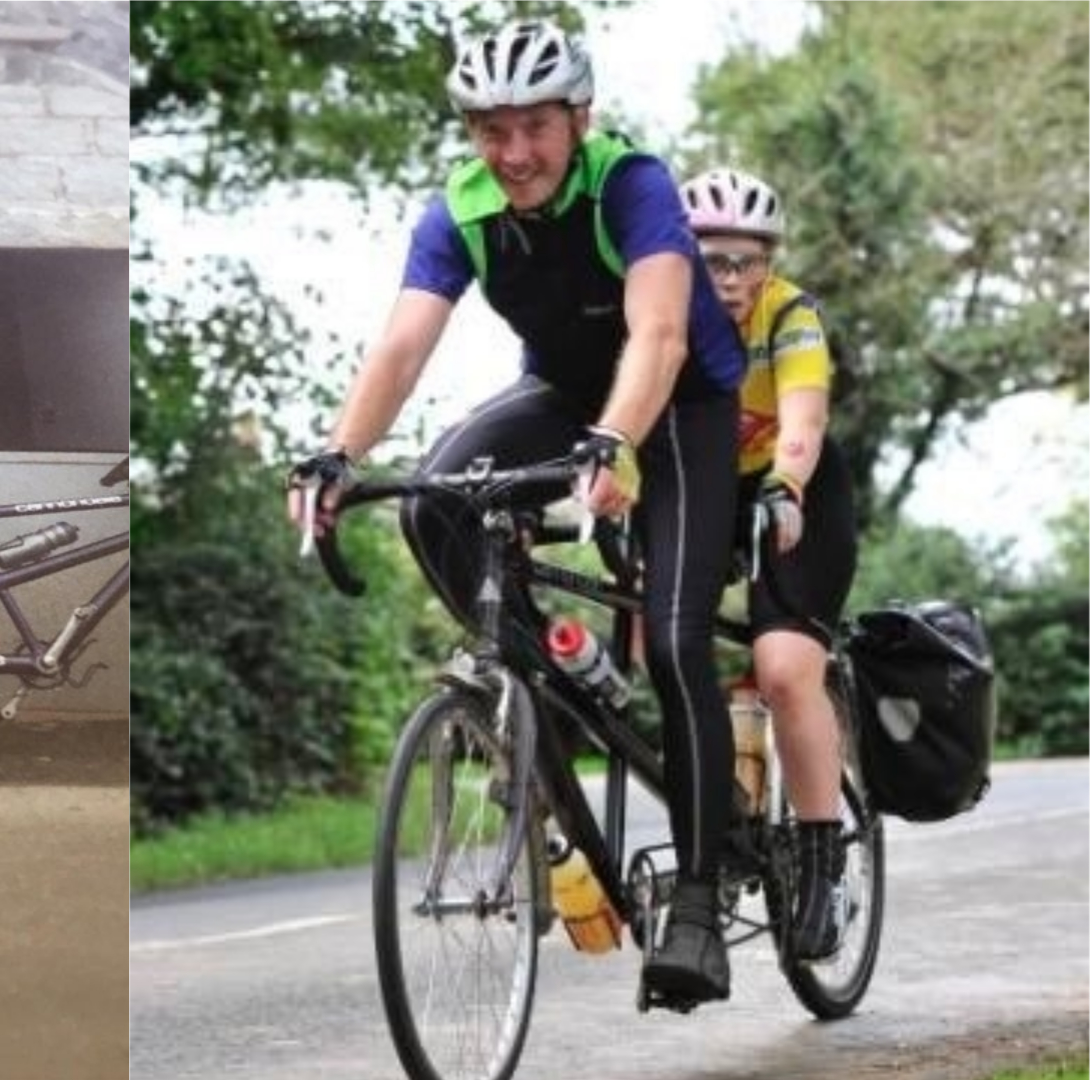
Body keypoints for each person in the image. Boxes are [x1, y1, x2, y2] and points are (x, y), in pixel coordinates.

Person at [286, 20, 748, 1005]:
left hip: (680, 410)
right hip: (566, 397)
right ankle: (543, 682)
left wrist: (617, 440)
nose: (514, 153)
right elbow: (401, 351)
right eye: (491, 130)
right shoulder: (460, 211)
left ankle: (702, 901)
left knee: (671, 641)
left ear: (577, 118)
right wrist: (338, 455)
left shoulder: (632, 185)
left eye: (534, 126)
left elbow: (660, 336)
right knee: (433, 502)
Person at [680, 166, 857, 961]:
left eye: (747, 260)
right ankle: (719, 825)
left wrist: (786, 481)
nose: (731, 279)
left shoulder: (790, 313)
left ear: (769, 261)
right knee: (660, 643)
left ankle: (821, 863)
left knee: (784, 669)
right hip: (709, 490)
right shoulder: (665, 318)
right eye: (712, 260)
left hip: (799, 494)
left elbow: (803, 417)